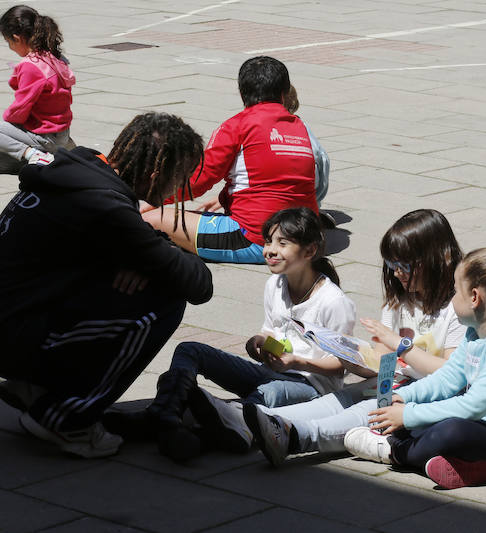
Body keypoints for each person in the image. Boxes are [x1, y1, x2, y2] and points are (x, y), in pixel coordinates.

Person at [0, 112, 213, 458]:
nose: (177, 190)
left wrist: (146, 256)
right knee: (166, 299)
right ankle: (67, 420)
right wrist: (154, 258)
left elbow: (138, 247)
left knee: (149, 277)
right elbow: (199, 284)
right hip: (13, 337)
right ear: (156, 174)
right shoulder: (105, 205)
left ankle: (39, 387)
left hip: (4, 324)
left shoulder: (79, 172)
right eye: (179, 179)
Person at [105, 207, 354, 462]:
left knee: (262, 397)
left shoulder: (333, 302)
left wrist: (299, 362)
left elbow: (340, 367)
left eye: (282, 243)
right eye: (268, 241)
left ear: (310, 251)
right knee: (190, 350)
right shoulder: (275, 284)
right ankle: (165, 414)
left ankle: (202, 433)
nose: (269, 250)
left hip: (310, 386)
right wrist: (258, 342)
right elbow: (272, 332)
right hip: (273, 371)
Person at [230, 209, 465, 466]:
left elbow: (452, 373)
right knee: (336, 401)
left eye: (405, 266)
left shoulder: (457, 308)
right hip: (392, 383)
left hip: (430, 395)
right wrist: (352, 357)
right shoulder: (399, 299)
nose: (397, 273)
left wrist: (401, 347)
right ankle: (241, 419)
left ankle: (292, 437)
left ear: (439, 258)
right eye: (391, 265)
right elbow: (381, 363)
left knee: (364, 412)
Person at [340, 242, 486, 489]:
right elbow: (448, 379)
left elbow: (472, 406)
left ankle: (394, 451)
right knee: (433, 419)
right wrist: (404, 396)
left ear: (475, 298)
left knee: (452, 430)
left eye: (455, 291)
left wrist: (408, 416)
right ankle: (470, 469)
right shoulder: (475, 334)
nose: (452, 298)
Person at [141, 56, 318, 264]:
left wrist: (153, 198)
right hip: (306, 238)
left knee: (147, 220)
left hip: (258, 240)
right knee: (186, 219)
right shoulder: (300, 127)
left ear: (242, 93)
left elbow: (199, 181)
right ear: (284, 93)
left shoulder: (237, 126)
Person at [0, 4, 76, 174]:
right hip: (62, 133)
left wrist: (9, 119)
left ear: (17, 38)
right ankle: (55, 157)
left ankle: (38, 155)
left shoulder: (31, 66)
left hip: (43, 135)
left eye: (9, 42)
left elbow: (20, 110)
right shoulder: (55, 56)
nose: (10, 48)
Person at [283, 84, 335, 228]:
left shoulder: (250, 126)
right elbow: (323, 161)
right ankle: (311, 212)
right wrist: (316, 200)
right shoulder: (302, 128)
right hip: (304, 199)